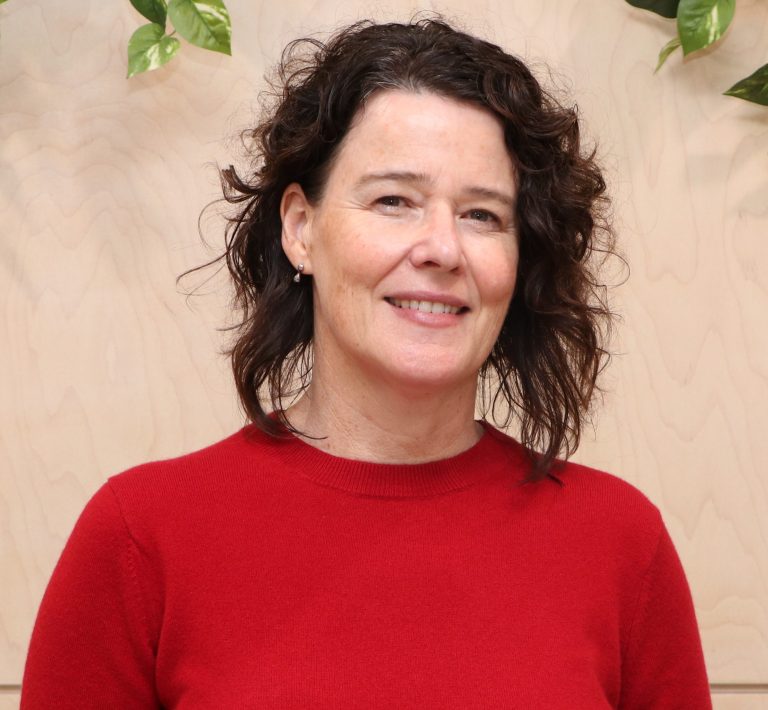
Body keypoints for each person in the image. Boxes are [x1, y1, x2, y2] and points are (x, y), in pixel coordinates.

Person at [21, 17, 712, 709]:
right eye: (393, 201)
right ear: (301, 229)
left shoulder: (620, 544)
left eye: (481, 214)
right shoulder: (140, 537)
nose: (442, 249)